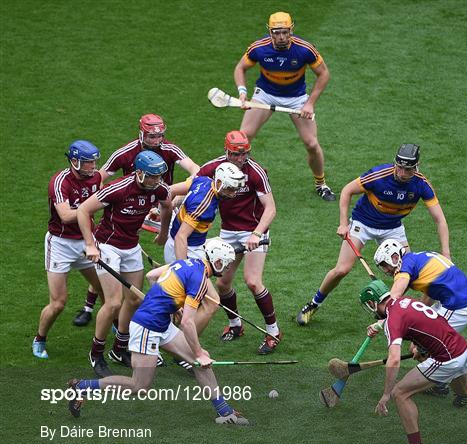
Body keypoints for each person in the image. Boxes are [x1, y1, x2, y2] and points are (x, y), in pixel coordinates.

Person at [67, 238, 249, 425]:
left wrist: (169, 302)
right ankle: (83, 387)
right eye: (226, 265)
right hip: (147, 327)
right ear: (217, 262)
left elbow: (152, 275)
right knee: (139, 386)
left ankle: (225, 412)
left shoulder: (185, 262)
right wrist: (198, 352)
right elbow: (187, 323)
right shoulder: (200, 280)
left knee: (199, 362)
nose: (228, 269)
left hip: (161, 323)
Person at [358, 280, 467, 444]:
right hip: (462, 348)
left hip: (447, 359)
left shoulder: (393, 320)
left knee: (400, 393)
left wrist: (386, 394)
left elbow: (394, 359)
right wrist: (419, 345)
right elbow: (420, 323)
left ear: (372, 303)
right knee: (463, 389)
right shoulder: (406, 301)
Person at [296, 143, 450, 325]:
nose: (401, 173)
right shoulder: (379, 175)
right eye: (399, 167)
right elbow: (347, 191)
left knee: (410, 273)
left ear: (416, 167)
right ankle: (313, 304)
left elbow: (440, 219)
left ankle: (391, 309)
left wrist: (446, 254)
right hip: (363, 223)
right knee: (342, 269)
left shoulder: (421, 185)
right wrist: (344, 224)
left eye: (407, 170)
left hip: (393, 228)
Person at [72, 113, 198, 326]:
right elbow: (99, 179)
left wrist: (167, 195)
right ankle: (89, 304)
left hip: (159, 202)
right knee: (109, 249)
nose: (157, 141)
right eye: (151, 137)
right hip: (128, 204)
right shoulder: (126, 152)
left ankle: (176, 295)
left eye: (160, 136)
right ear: (141, 134)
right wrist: (113, 199)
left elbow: (196, 172)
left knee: (179, 239)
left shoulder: (170, 149)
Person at [77, 150, 172, 377]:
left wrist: (164, 232)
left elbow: (167, 206)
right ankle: (96, 352)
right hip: (108, 246)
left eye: (158, 177)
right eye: (151, 176)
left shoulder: (158, 188)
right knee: (113, 303)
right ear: (139, 173)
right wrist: (91, 245)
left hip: (131, 246)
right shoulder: (118, 188)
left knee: (134, 298)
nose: (156, 181)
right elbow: (83, 210)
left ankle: (120, 349)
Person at [188, 130, 281, 355]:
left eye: (244, 154)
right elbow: (192, 186)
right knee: (222, 284)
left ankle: (274, 331)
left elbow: (271, 208)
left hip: (254, 229)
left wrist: (256, 234)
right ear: (226, 152)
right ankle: (235, 324)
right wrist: (168, 203)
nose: (241, 159)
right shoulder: (213, 168)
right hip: (228, 230)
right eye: (235, 154)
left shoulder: (256, 172)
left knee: (252, 281)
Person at [233, 12, 335, 201]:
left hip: (296, 98)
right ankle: (241, 180)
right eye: (276, 32)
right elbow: (240, 68)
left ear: (291, 30)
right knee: (242, 140)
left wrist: (310, 103)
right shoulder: (259, 48)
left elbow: (324, 74)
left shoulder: (305, 50)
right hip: (265, 95)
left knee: (312, 144)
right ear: (269, 31)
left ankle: (321, 183)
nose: (281, 37)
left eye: (285, 32)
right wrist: (242, 92)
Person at [372, 238, 467, 405]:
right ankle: (452, 382)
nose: (386, 270)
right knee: (423, 345)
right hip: (459, 299)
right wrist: (420, 308)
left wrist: (381, 322)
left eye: (385, 265)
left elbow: (393, 299)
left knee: (422, 345)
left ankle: (445, 384)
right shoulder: (417, 258)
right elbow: (430, 290)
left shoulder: (404, 269)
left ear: (393, 258)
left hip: (460, 306)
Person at [32, 141, 103, 359]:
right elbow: (65, 215)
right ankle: (40, 339)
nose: (93, 166)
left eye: (94, 161)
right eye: (88, 162)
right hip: (61, 244)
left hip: (86, 242)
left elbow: (98, 200)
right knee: (58, 302)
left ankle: (116, 325)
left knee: (106, 290)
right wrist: (99, 205)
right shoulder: (59, 182)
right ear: (75, 161)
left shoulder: (96, 177)